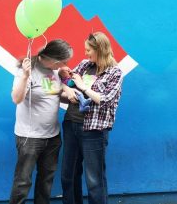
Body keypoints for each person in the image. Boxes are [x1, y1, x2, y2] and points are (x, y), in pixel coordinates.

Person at [61, 32, 123, 204]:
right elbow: (68, 84)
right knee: (69, 176)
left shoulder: (114, 73)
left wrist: (83, 86)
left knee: (94, 181)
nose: (86, 53)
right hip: (71, 125)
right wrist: (65, 87)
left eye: (89, 50)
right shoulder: (83, 65)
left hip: (93, 131)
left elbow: (105, 100)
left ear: (100, 50)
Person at [10, 39, 73, 204]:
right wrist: (25, 76)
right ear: (54, 59)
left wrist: (73, 95)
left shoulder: (54, 72)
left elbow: (53, 96)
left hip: (52, 137)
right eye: (63, 62)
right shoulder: (27, 71)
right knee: (23, 181)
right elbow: (17, 98)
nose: (64, 65)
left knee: (46, 180)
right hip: (29, 138)